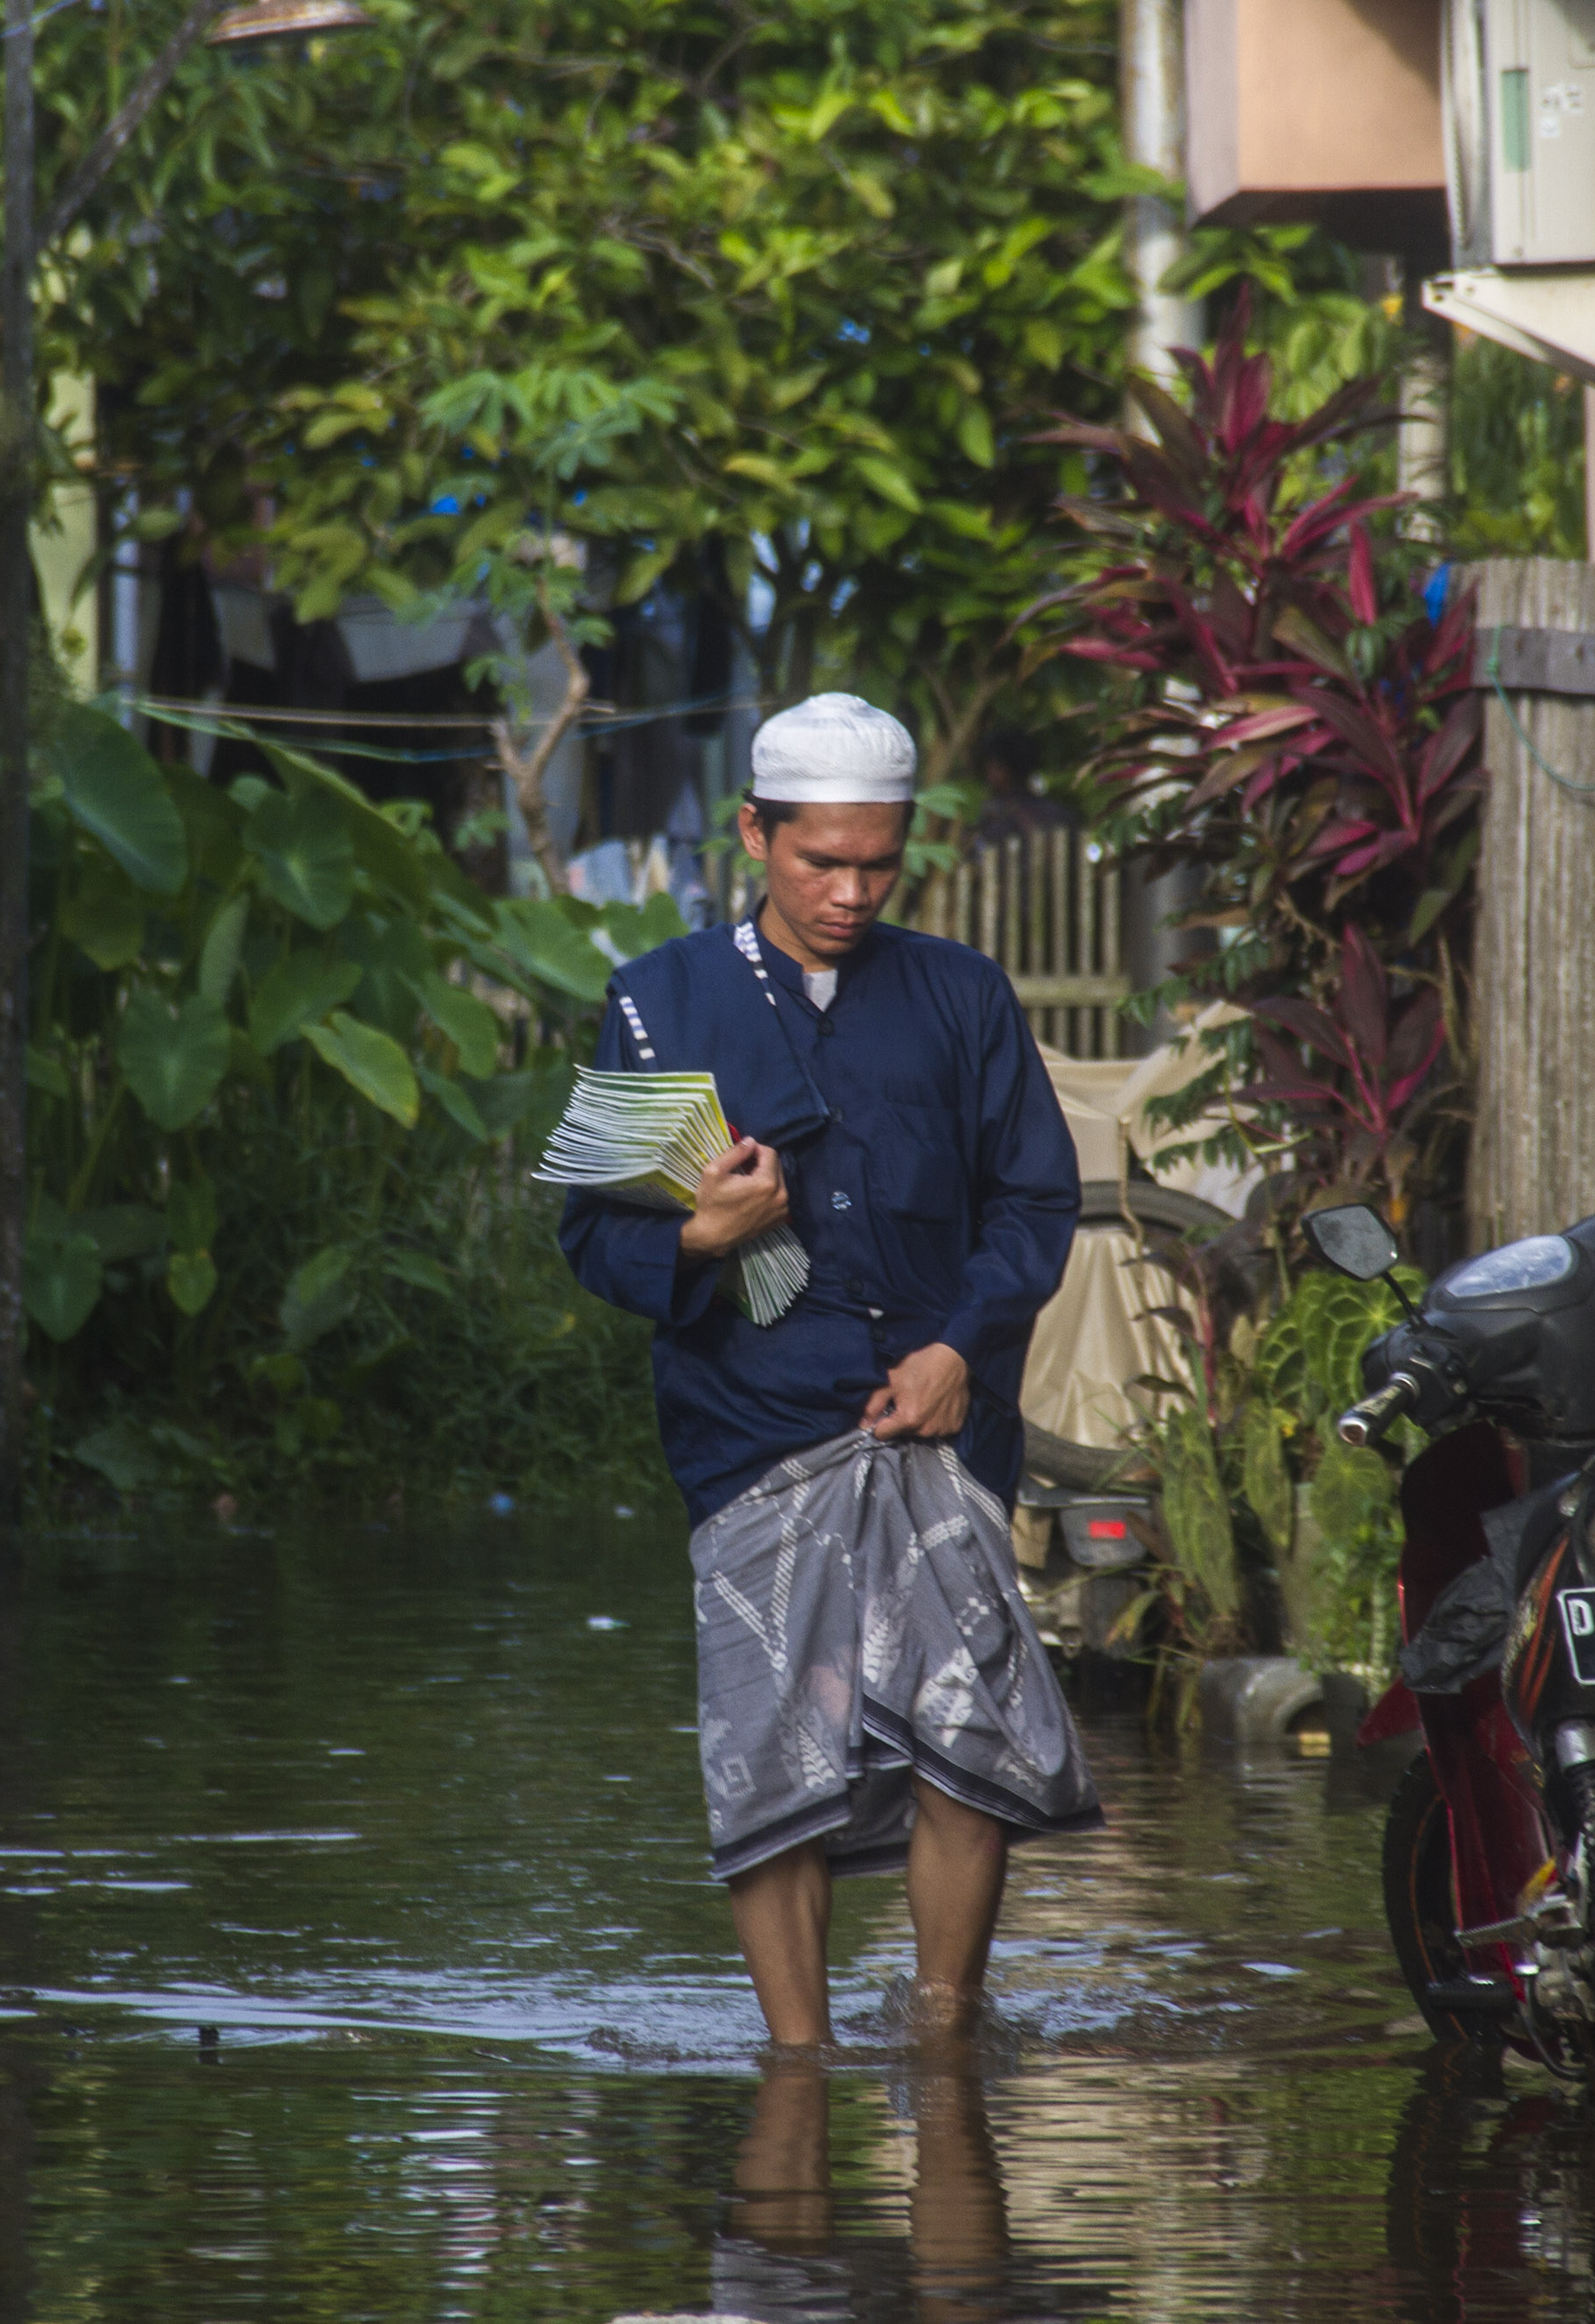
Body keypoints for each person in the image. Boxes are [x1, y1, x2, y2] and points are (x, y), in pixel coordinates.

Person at [559, 692, 1100, 2048]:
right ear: (755, 832)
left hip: (939, 1426)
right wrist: (704, 1234)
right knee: (771, 1759)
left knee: (967, 1743)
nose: (852, 891)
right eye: (821, 862)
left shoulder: (964, 997)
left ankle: (939, 2032)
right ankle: (796, 2064)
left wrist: (954, 1350)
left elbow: (1035, 1206)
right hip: (747, 1433)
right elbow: (591, 1240)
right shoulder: (657, 1000)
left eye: (880, 862)